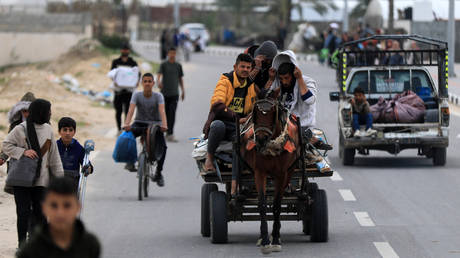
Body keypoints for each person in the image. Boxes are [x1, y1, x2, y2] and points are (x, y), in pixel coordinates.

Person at [2, 99, 64, 248]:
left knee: (41, 214)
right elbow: (6, 145)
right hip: (22, 179)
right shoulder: (21, 129)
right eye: (48, 110)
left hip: (41, 180)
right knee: (23, 213)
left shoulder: (48, 129)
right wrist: (23, 151)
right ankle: (22, 245)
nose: (50, 113)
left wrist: (60, 179)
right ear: (41, 112)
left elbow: (53, 155)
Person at [202, 53, 257, 197]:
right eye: (242, 66)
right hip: (222, 123)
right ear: (235, 67)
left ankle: (234, 187)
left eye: (248, 67)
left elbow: (257, 104)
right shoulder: (225, 80)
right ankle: (209, 159)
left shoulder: (251, 86)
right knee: (218, 126)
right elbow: (218, 105)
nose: (245, 69)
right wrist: (237, 118)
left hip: (238, 128)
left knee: (240, 145)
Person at [16, 177, 101, 258]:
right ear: (44, 208)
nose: (60, 213)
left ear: (78, 207)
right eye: (54, 205)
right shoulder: (30, 250)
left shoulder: (90, 245)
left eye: (67, 205)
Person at [267, 50, 332, 151]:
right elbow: (265, 100)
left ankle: (315, 141)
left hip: (302, 126)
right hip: (280, 125)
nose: (284, 82)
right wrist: (271, 80)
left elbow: (310, 100)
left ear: (293, 74)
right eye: (281, 79)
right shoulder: (277, 83)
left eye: (286, 78)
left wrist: (300, 79)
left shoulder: (308, 81)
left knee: (301, 136)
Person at [123, 73, 168, 186]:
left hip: (155, 125)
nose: (147, 83)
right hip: (139, 123)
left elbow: (162, 111)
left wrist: (164, 125)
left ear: (153, 83)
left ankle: (158, 173)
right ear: (141, 83)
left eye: (149, 81)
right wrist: (126, 124)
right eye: (145, 81)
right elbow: (131, 111)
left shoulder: (158, 96)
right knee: (127, 138)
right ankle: (130, 162)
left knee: (163, 147)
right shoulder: (136, 95)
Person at [0, 92, 36, 194]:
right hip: (18, 163)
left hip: (35, 163)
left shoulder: (43, 125)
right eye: (24, 111)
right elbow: (9, 143)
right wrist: (2, 157)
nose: (27, 114)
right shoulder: (16, 124)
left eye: (30, 111)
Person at [56, 117, 93, 191]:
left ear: (74, 132)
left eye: (70, 130)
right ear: (59, 131)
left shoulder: (78, 148)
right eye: (65, 130)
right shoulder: (54, 146)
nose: (68, 133)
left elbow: (89, 166)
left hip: (72, 184)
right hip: (57, 182)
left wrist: (87, 169)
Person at [110, 43, 140, 133]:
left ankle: (126, 129)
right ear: (121, 50)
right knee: (118, 111)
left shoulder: (133, 63)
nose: (125, 51)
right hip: (118, 91)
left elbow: (138, 74)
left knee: (128, 112)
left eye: (126, 49)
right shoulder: (116, 62)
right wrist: (114, 80)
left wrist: (137, 81)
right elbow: (112, 73)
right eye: (123, 49)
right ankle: (119, 129)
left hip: (129, 92)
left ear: (129, 51)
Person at [157, 47, 185, 142]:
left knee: (172, 114)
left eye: (174, 53)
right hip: (164, 93)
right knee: (163, 113)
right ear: (168, 54)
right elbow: (159, 74)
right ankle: (161, 132)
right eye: (170, 53)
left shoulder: (178, 65)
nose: (172, 55)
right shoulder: (164, 64)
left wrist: (183, 91)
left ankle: (170, 134)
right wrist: (158, 81)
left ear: (175, 54)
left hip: (174, 94)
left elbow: (180, 78)